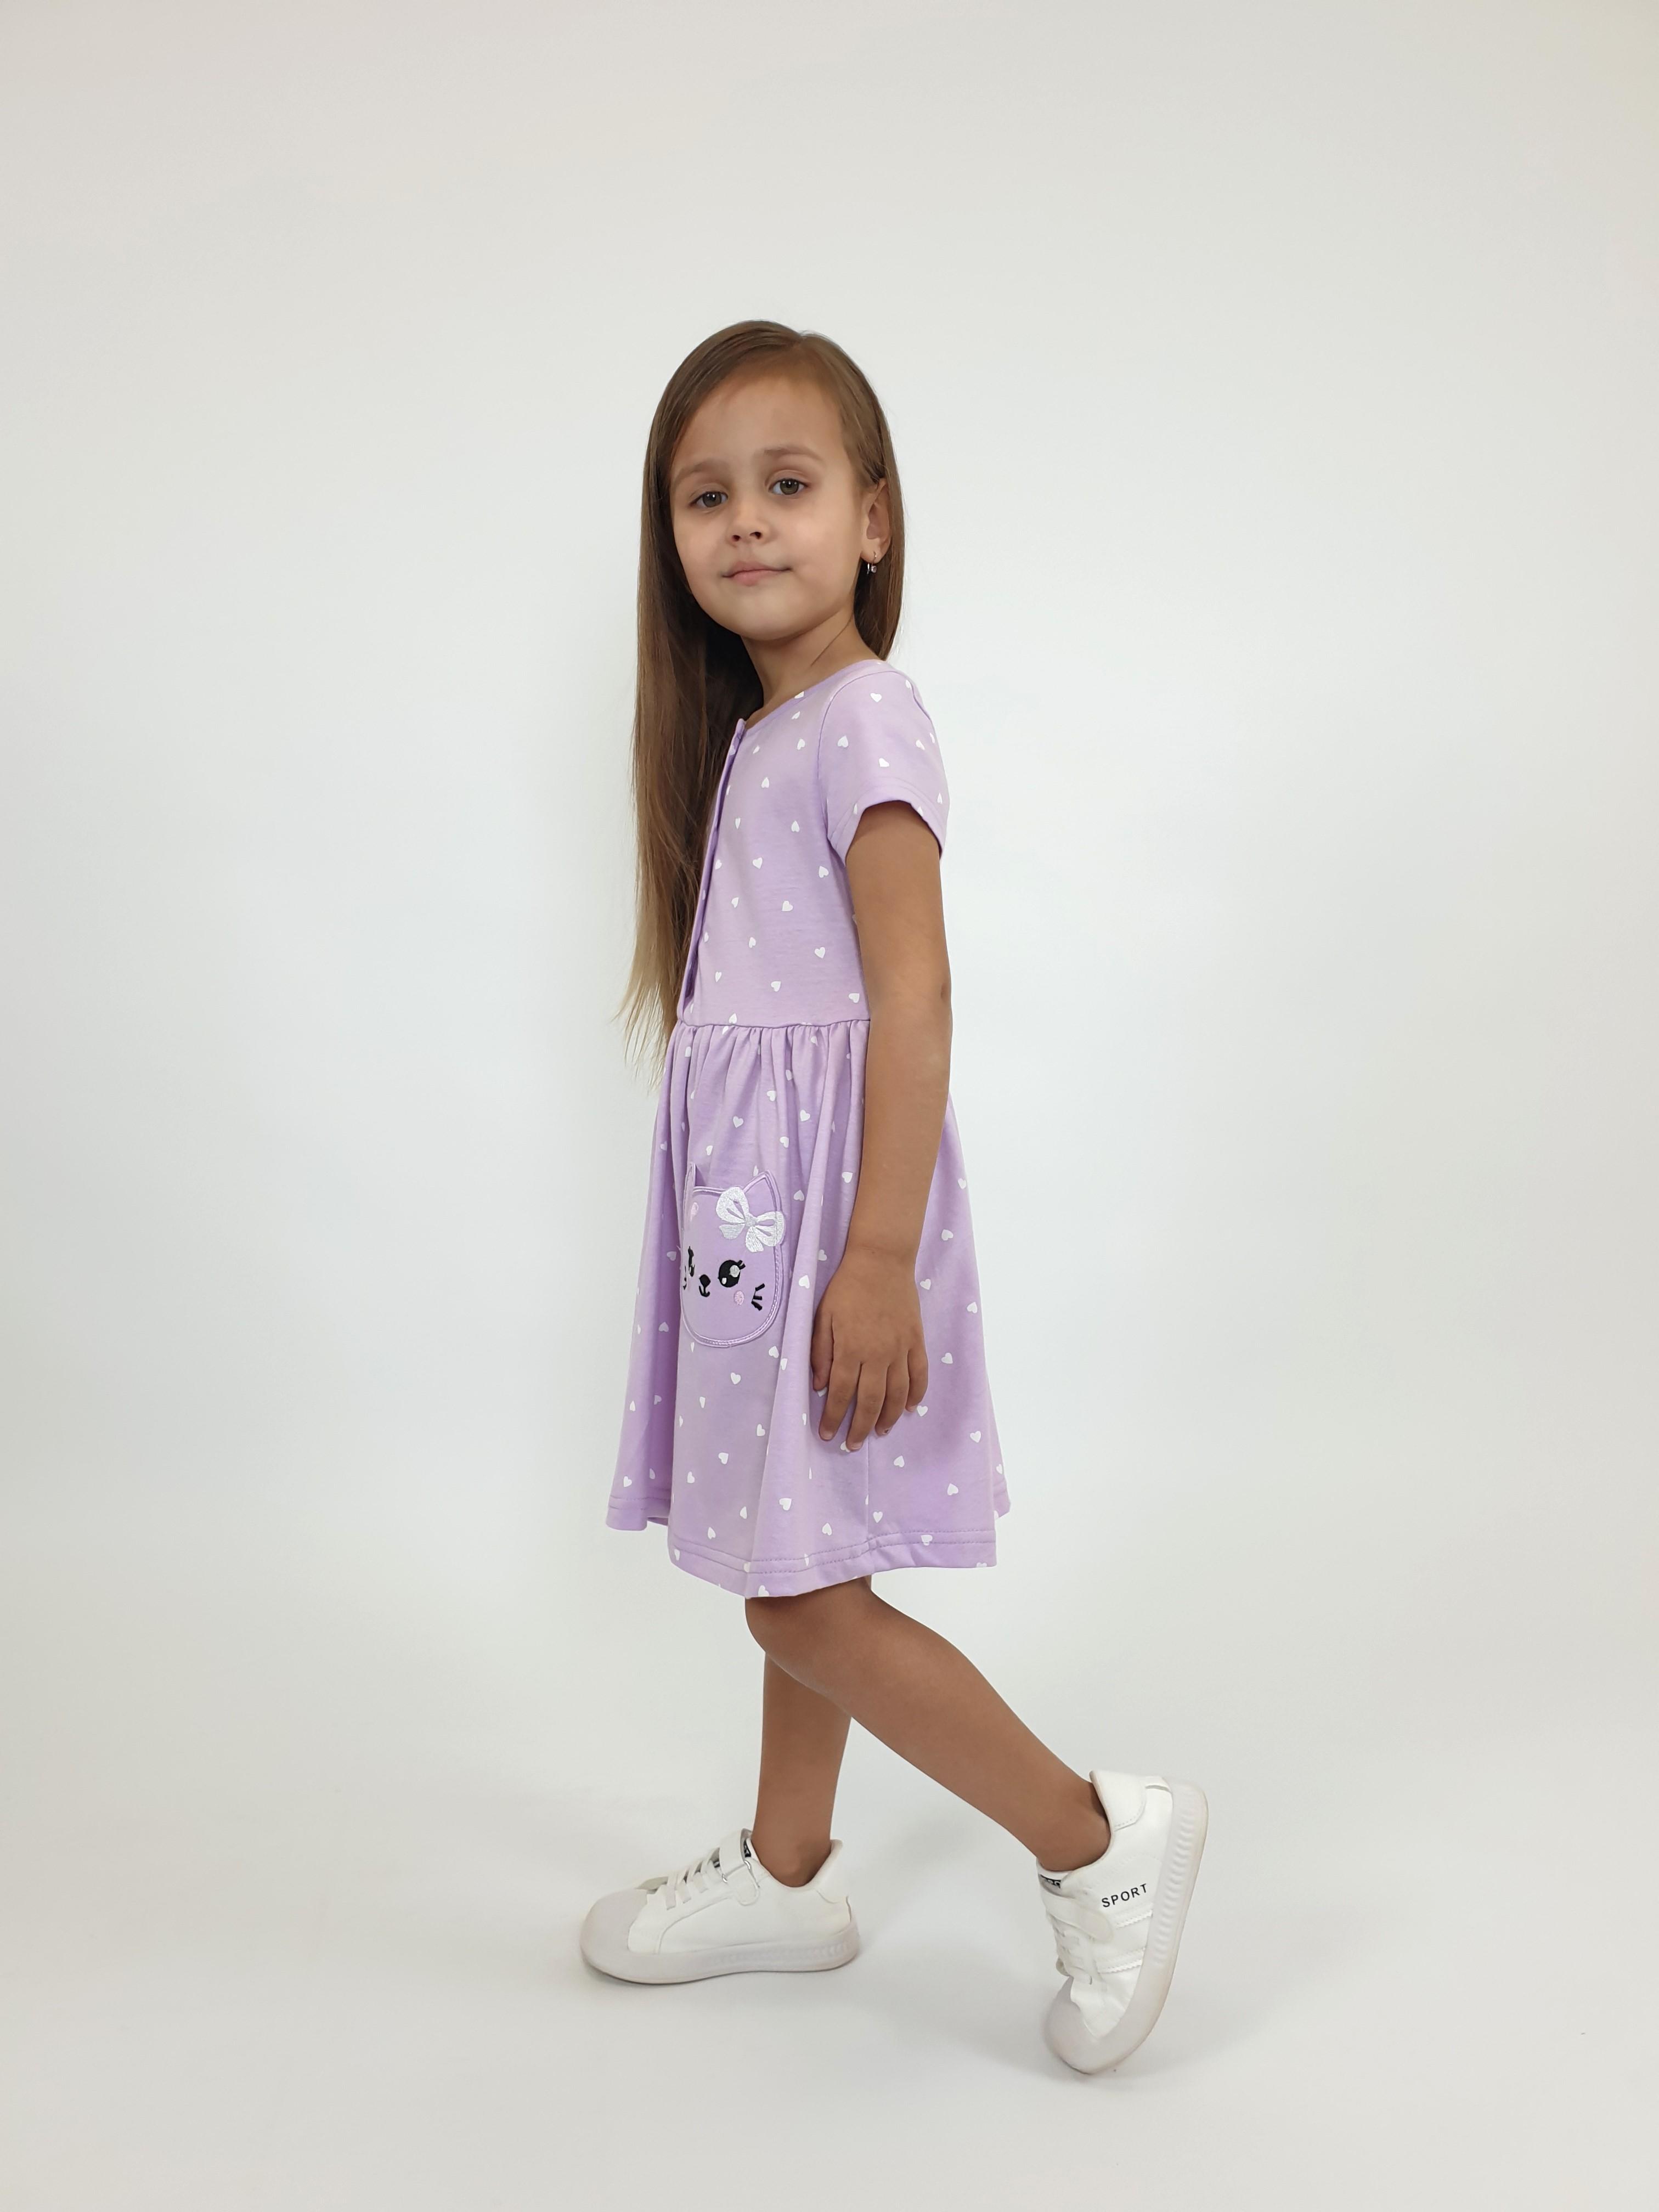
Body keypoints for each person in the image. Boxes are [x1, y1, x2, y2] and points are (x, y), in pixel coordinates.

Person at [582, 320, 1206, 2074]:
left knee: (797, 1597)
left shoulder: (865, 715)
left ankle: (1097, 1840)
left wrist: (874, 1255)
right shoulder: (758, 735)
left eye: (787, 485)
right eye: (705, 496)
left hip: (830, 1226)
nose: (745, 522)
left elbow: (913, 996)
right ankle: (790, 1875)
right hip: (756, 1226)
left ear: (873, 521)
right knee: (800, 1556)